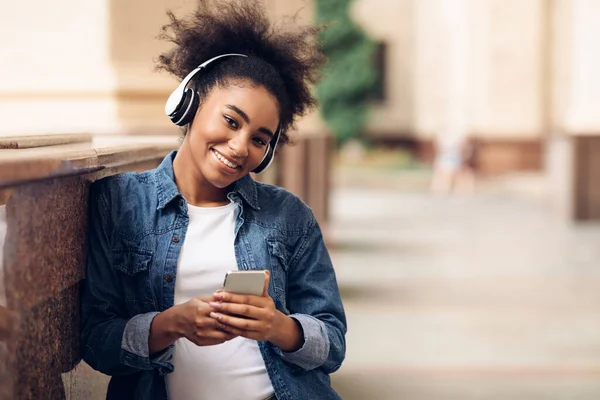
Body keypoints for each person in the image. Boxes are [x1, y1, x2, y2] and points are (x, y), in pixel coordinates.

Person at [80, 1, 347, 399]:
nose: (240, 147)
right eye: (230, 120)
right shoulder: (117, 203)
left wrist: (279, 327)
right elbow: (96, 341)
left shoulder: (290, 216)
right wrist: (169, 324)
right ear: (189, 103)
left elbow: (333, 343)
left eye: (259, 138)